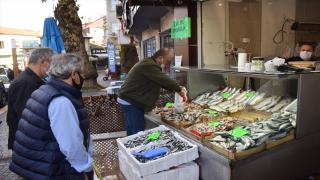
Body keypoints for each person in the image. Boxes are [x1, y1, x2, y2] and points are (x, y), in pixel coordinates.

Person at [9, 53, 94, 180]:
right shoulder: (61, 101)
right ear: (74, 74)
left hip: (39, 168)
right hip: (55, 171)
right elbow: (71, 146)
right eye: (82, 74)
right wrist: (85, 169)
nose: (83, 77)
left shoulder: (43, 91)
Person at [117, 47, 187, 136]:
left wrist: (176, 88)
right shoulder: (149, 65)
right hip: (132, 102)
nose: (167, 64)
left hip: (129, 100)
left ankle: (130, 148)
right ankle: (137, 149)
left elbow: (160, 81)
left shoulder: (148, 63)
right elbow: (163, 79)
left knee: (132, 130)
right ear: (160, 58)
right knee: (138, 134)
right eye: (167, 61)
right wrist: (178, 89)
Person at [6, 47, 55, 150]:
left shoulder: (30, 80)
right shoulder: (25, 83)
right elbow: (27, 117)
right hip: (30, 144)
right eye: (52, 63)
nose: (52, 67)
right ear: (42, 61)